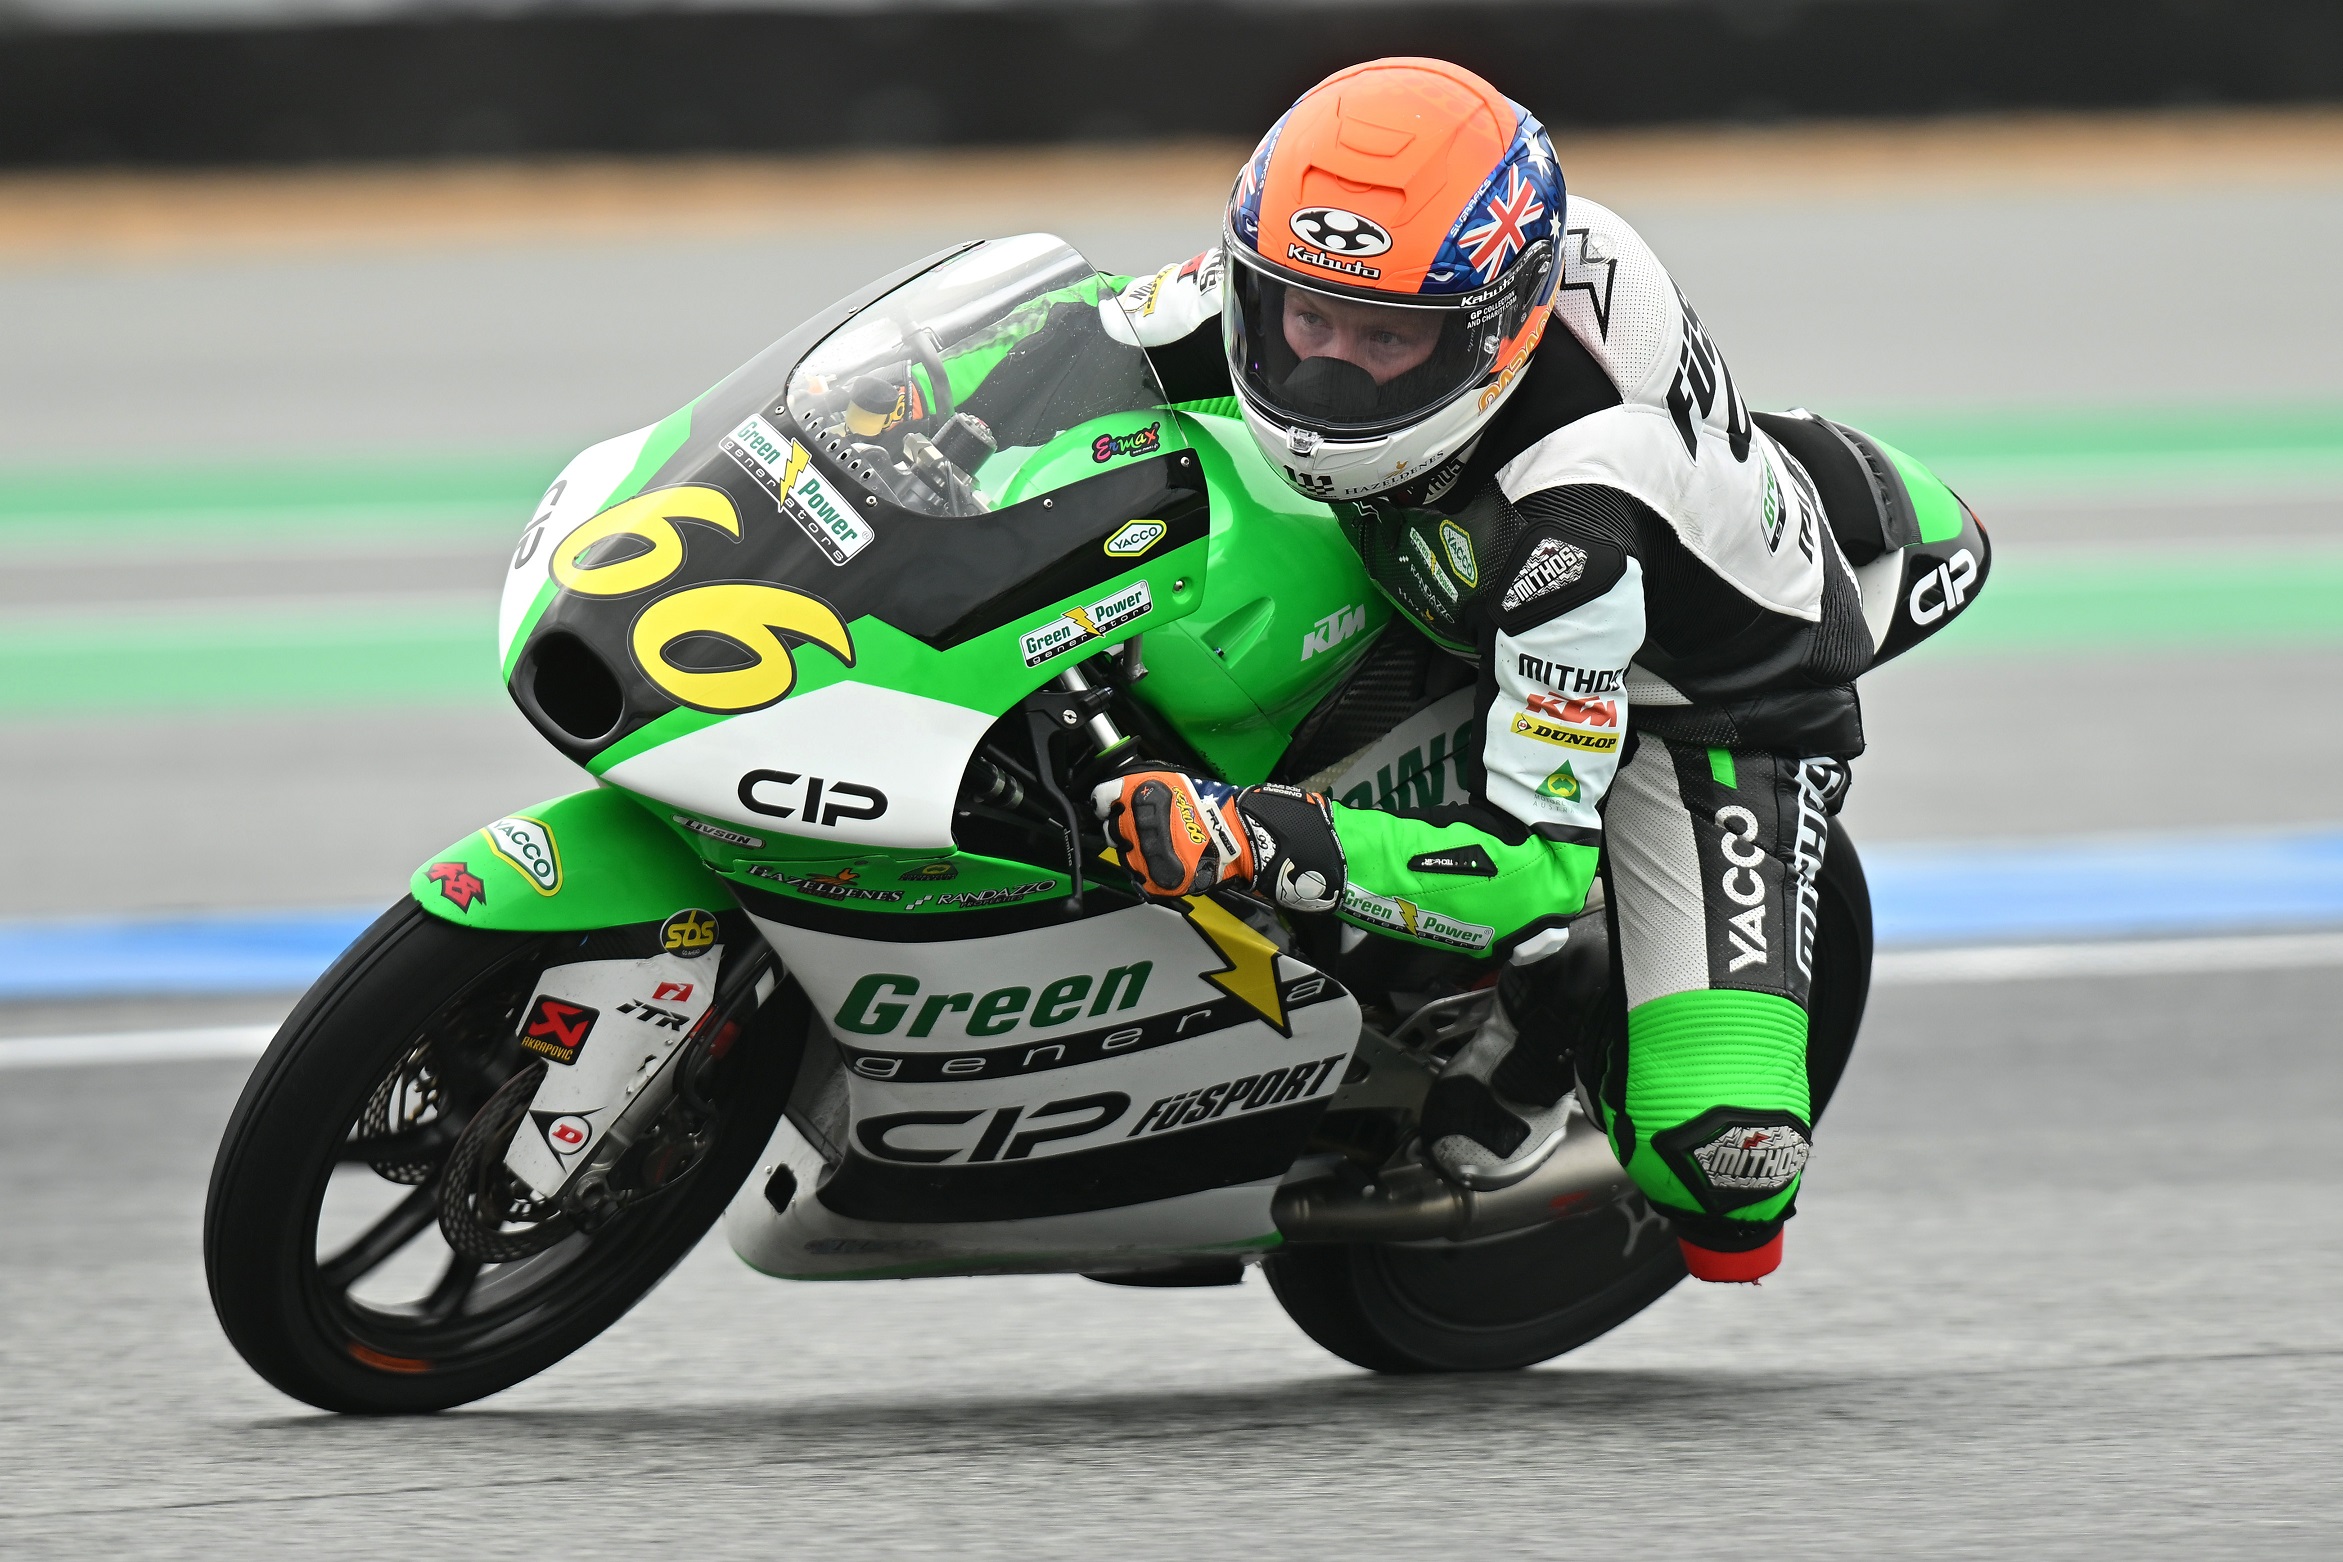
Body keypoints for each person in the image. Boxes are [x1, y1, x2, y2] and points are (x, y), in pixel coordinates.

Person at [1090, 56, 1945, 1284]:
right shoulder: (1384, 256)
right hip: (1448, 557)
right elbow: (1095, 336)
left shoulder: (1575, 532)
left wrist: (1246, 836)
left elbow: (1527, 870)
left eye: (1384, 341)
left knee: (1725, 1167)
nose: (1323, 370)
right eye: (1303, 321)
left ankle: (1561, 1023)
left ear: (1495, 333)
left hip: (1699, 701)